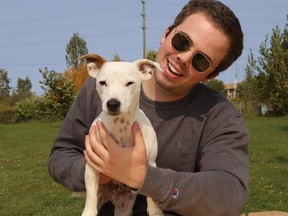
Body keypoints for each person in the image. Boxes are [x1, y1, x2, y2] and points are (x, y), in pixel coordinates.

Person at [48, 0, 249, 215]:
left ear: (211, 75)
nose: (183, 58)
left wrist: (145, 177)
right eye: (182, 41)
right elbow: (60, 156)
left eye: (201, 61)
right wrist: (97, 171)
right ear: (166, 34)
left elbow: (230, 194)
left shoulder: (221, 116)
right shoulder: (98, 88)